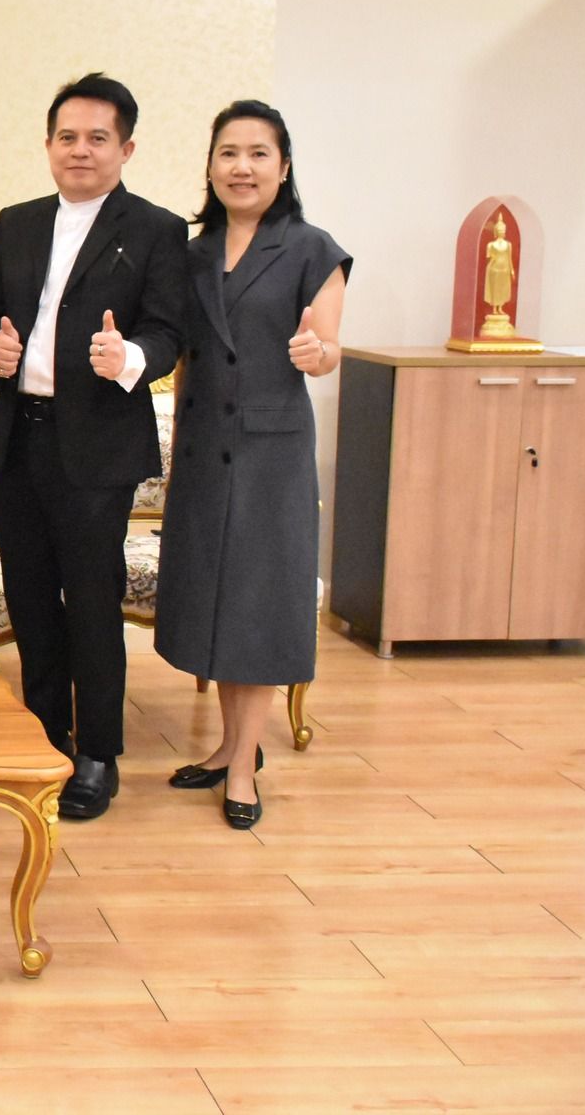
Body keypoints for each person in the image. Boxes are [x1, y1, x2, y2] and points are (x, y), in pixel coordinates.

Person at [0, 72, 187, 820]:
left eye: (98, 138)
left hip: (98, 446)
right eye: (67, 137)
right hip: (20, 438)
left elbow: (169, 330)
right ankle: (43, 736)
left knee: (92, 601)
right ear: (48, 144)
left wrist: (130, 357)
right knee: (30, 598)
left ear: (126, 148)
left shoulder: (156, 229)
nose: (81, 150)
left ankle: (97, 752)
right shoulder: (17, 222)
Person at [155, 100, 349, 829]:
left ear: (284, 166)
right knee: (216, 601)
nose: (242, 166)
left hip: (272, 455)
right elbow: (177, 351)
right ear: (211, 165)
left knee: (258, 604)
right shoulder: (192, 252)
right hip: (204, 451)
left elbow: (328, 349)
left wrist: (316, 353)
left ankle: (242, 766)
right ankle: (229, 745)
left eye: (258, 153)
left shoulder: (312, 249)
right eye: (228, 152)